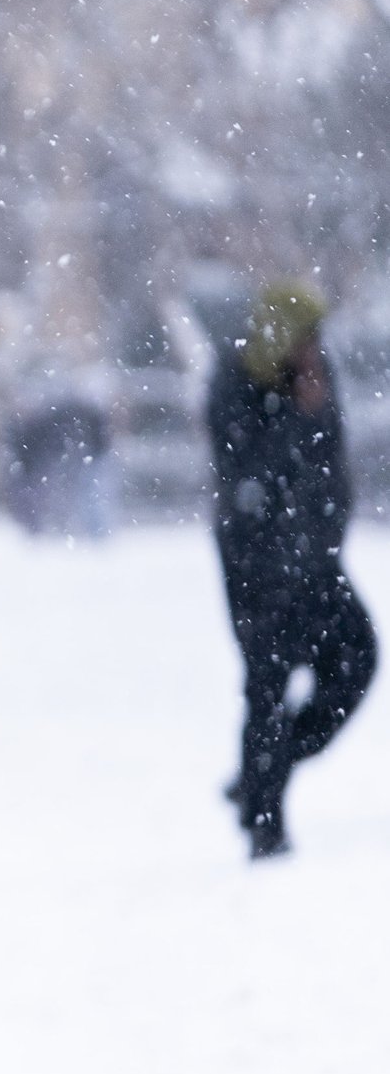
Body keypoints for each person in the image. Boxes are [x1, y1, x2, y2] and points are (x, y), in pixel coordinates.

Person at [209, 279, 375, 859]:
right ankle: (265, 823)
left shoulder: (317, 376)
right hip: (257, 561)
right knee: (268, 685)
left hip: (315, 559)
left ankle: (263, 773)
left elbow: (331, 461)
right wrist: (298, 417)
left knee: (357, 658)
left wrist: (331, 533)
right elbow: (247, 468)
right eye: (306, 336)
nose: (314, 347)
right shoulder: (236, 381)